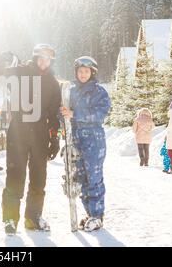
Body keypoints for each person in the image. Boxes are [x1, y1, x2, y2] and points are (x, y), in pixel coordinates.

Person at [0, 44, 61, 235]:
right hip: (18, 132)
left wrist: (54, 138)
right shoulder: (19, 72)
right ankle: (10, 219)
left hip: (40, 134)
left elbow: (54, 114)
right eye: (41, 58)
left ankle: (33, 217)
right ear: (35, 57)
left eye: (48, 59)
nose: (44, 62)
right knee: (15, 175)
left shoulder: (53, 83)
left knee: (38, 178)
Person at [60, 56, 111, 232]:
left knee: (93, 178)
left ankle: (97, 216)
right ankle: (89, 214)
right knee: (79, 177)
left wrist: (74, 113)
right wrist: (63, 114)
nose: (83, 74)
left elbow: (100, 114)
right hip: (75, 138)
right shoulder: (70, 91)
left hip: (93, 139)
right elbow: (66, 115)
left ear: (92, 73)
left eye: (86, 71)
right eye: (80, 71)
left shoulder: (99, 92)